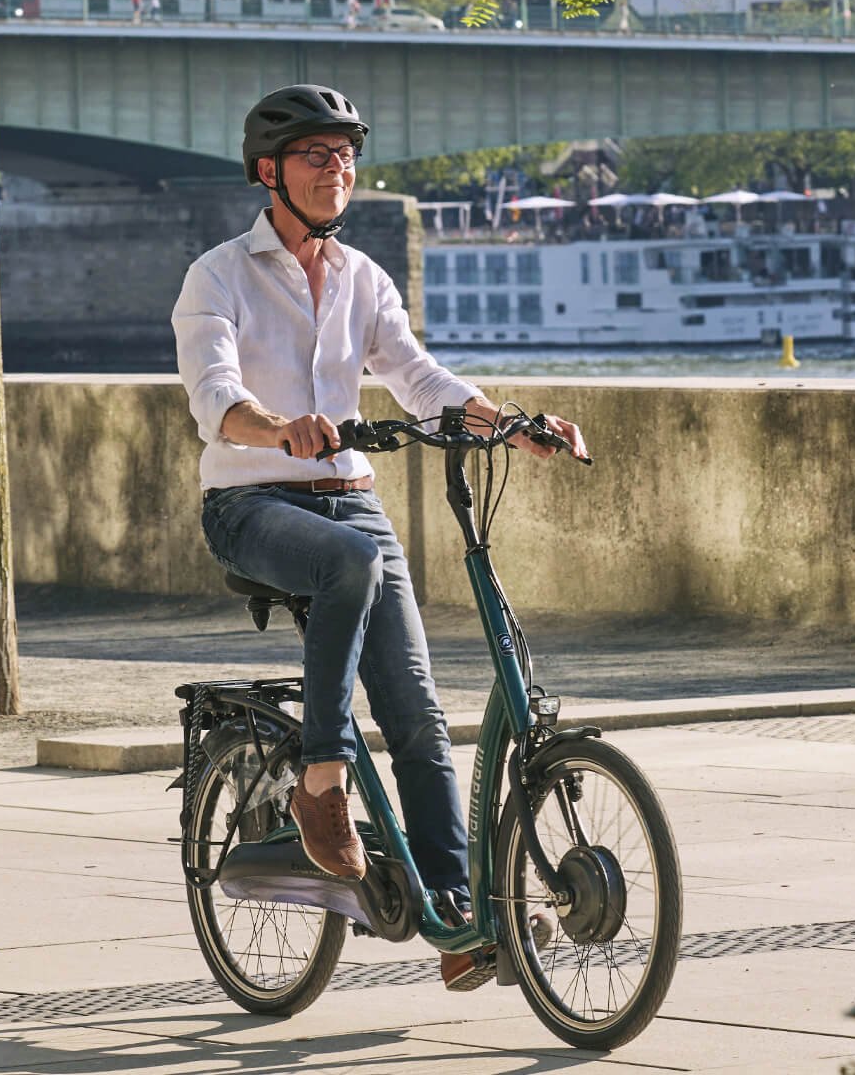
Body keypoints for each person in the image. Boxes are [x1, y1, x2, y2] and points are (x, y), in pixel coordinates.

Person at [173, 84, 589, 992]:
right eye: (318, 156)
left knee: (420, 718)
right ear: (268, 172)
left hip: (348, 501)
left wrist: (505, 421)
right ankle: (322, 782)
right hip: (252, 506)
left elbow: (413, 373)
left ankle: (458, 919)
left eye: (347, 155)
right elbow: (212, 397)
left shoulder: (363, 276)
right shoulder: (218, 275)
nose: (338, 170)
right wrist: (277, 426)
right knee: (351, 562)